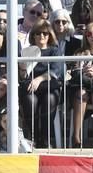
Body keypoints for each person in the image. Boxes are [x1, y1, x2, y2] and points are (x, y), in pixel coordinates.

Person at [19, 20, 62, 148]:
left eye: (45, 33)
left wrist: (39, 79)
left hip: (49, 86)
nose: (42, 36)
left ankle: (46, 138)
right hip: (31, 87)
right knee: (30, 100)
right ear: (33, 35)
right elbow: (23, 76)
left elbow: (56, 71)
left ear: (50, 35)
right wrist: (22, 69)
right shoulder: (27, 51)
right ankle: (33, 137)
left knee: (50, 99)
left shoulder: (55, 51)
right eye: (38, 33)